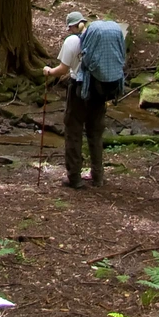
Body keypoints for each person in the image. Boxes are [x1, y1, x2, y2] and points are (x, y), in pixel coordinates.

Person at [42, 11, 127, 188]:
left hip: (79, 91)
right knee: (95, 132)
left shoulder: (72, 41)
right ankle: (98, 176)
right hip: (99, 90)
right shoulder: (100, 38)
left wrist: (49, 71)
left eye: (69, 28)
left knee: (74, 131)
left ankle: (74, 177)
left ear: (72, 26)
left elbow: (63, 70)